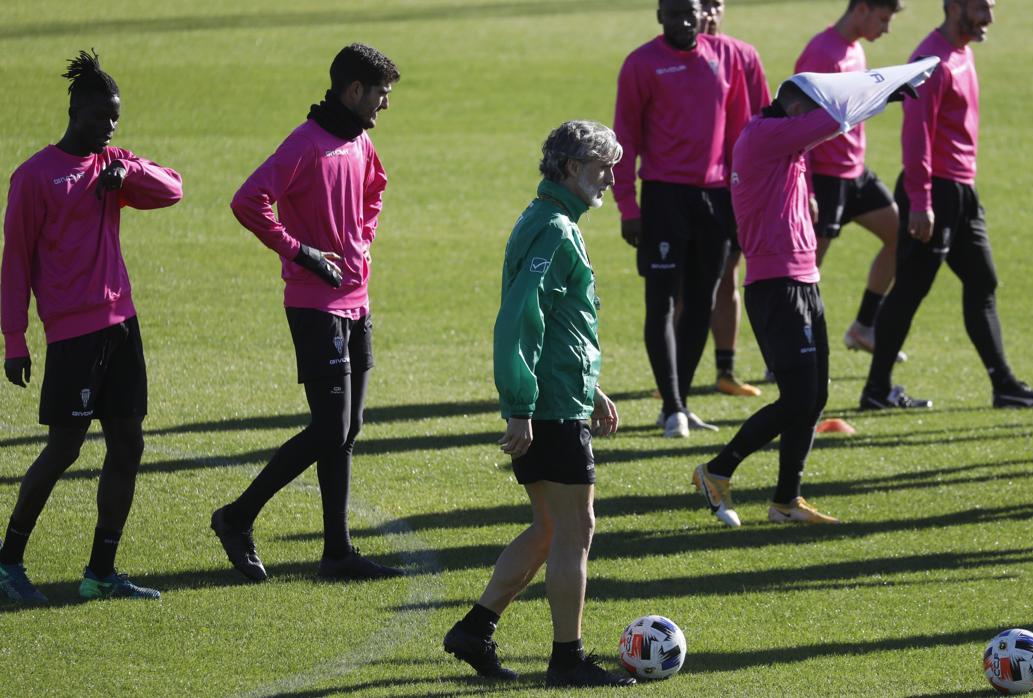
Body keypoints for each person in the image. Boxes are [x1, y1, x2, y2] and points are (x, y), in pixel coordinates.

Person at [692, 60, 936, 527]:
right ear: (796, 108)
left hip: (803, 281)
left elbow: (828, 124)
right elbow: (833, 120)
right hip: (777, 285)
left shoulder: (785, 139)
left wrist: (885, 97)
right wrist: (886, 90)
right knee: (798, 398)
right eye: (811, 111)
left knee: (814, 396)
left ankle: (786, 502)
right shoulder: (765, 134)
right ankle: (717, 470)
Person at [442, 121, 635, 688]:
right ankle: (567, 659)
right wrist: (522, 405)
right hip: (549, 408)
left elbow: (557, 324)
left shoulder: (550, 219)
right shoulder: (553, 228)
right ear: (573, 169)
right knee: (577, 527)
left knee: (549, 527)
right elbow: (521, 317)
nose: (611, 179)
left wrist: (589, 387)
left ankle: (475, 629)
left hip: (558, 397)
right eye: (602, 168)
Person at [210, 44, 402, 582]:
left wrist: (361, 241)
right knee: (329, 427)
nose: (386, 104)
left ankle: (337, 553)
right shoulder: (305, 142)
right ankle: (236, 517)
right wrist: (301, 252)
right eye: (381, 93)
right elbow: (248, 200)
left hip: (357, 301)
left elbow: (375, 189)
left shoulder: (360, 140)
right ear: (355, 90)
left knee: (348, 427)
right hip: (315, 304)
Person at [0, 50, 182, 602]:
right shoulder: (35, 177)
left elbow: (173, 188)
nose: (109, 126)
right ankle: (8, 563)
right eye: (101, 116)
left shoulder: (113, 165)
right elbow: (15, 262)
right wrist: (14, 339)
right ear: (75, 111)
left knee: (128, 444)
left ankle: (101, 573)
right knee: (64, 448)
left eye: (115, 118)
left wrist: (130, 172)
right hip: (73, 336)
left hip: (121, 326)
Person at [858, 0, 1033, 410]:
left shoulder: (961, 53)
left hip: (961, 191)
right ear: (954, 6)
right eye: (981, 8)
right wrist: (921, 201)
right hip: (934, 191)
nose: (989, 18)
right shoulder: (930, 62)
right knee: (911, 288)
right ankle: (876, 390)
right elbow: (915, 134)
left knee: (983, 281)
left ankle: (1004, 385)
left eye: (991, 8)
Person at [614, 0, 753, 437]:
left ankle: (679, 404)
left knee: (702, 303)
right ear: (660, 16)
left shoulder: (724, 57)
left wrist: (742, 198)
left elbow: (741, 133)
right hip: (663, 198)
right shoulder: (641, 64)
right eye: (674, 12)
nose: (685, 19)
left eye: (690, 10)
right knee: (661, 303)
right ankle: (673, 405)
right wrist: (628, 206)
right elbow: (625, 138)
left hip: (715, 199)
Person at [795, 0, 908, 361]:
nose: (886, 29)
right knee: (805, 273)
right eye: (883, 19)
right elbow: (796, 124)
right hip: (826, 178)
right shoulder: (821, 53)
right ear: (862, 8)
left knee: (901, 236)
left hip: (855, 173)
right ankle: (787, 353)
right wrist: (807, 190)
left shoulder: (855, 49)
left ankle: (863, 327)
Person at [702, 0, 771, 398]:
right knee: (683, 282)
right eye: (703, 4)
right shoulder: (665, 61)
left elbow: (767, 119)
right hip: (685, 188)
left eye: (716, 3)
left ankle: (725, 370)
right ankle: (672, 376)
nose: (710, 13)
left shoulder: (744, 55)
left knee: (729, 274)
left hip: (735, 187)